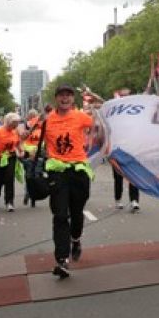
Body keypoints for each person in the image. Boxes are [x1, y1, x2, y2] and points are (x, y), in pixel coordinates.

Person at [44, 85, 96, 278]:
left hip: (78, 171)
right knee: (59, 215)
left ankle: (76, 239)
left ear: (73, 99)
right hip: (57, 172)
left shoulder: (81, 117)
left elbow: (101, 124)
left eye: (68, 96)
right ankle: (62, 259)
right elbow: (30, 137)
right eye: (61, 96)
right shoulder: (47, 120)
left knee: (76, 212)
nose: (65, 99)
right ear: (56, 98)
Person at [111, 88, 143, 212]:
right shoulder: (114, 113)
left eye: (128, 95)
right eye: (123, 96)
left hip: (132, 150)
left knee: (134, 176)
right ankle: (118, 199)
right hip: (117, 150)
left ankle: (134, 201)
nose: (125, 98)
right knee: (118, 177)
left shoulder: (136, 112)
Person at [20, 112, 44, 207]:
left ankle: (28, 192)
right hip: (38, 151)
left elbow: (22, 138)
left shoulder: (27, 126)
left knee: (29, 173)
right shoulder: (40, 126)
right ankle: (33, 196)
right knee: (37, 173)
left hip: (29, 151)